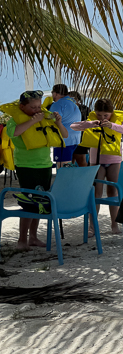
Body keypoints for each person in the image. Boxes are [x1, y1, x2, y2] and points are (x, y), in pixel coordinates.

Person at [6, 90, 67, 250]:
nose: (37, 110)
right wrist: (33, 121)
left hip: (45, 165)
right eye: (33, 107)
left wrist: (59, 122)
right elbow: (14, 132)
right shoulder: (15, 121)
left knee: (40, 202)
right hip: (26, 167)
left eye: (39, 106)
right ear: (22, 107)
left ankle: (33, 237)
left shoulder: (44, 119)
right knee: (28, 202)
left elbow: (65, 135)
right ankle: (22, 240)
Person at [71, 98, 123, 234]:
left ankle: (114, 224)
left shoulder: (117, 121)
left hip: (114, 160)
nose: (102, 118)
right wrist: (90, 124)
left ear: (111, 113)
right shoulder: (92, 121)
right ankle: (92, 227)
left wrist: (112, 126)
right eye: (99, 115)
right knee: (96, 193)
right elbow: (74, 126)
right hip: (96, 161)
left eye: (106, 115)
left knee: (112, 192)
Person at [48, 84, 82, 167]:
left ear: (55, 94)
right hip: (75, 140)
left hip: (63, 141)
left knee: (62, 169)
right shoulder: (73, 103)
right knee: (68, 166)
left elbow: (50, 120)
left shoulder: (58, 104)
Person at [69, 91, 90, 167]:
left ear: (78, 99)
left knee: (81, 161)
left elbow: (89, 123)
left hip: (81, 139)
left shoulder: (85, 109)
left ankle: (85, 177)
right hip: (69, 139)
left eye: (73, 98)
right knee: (69, 162)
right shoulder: (66, 109)